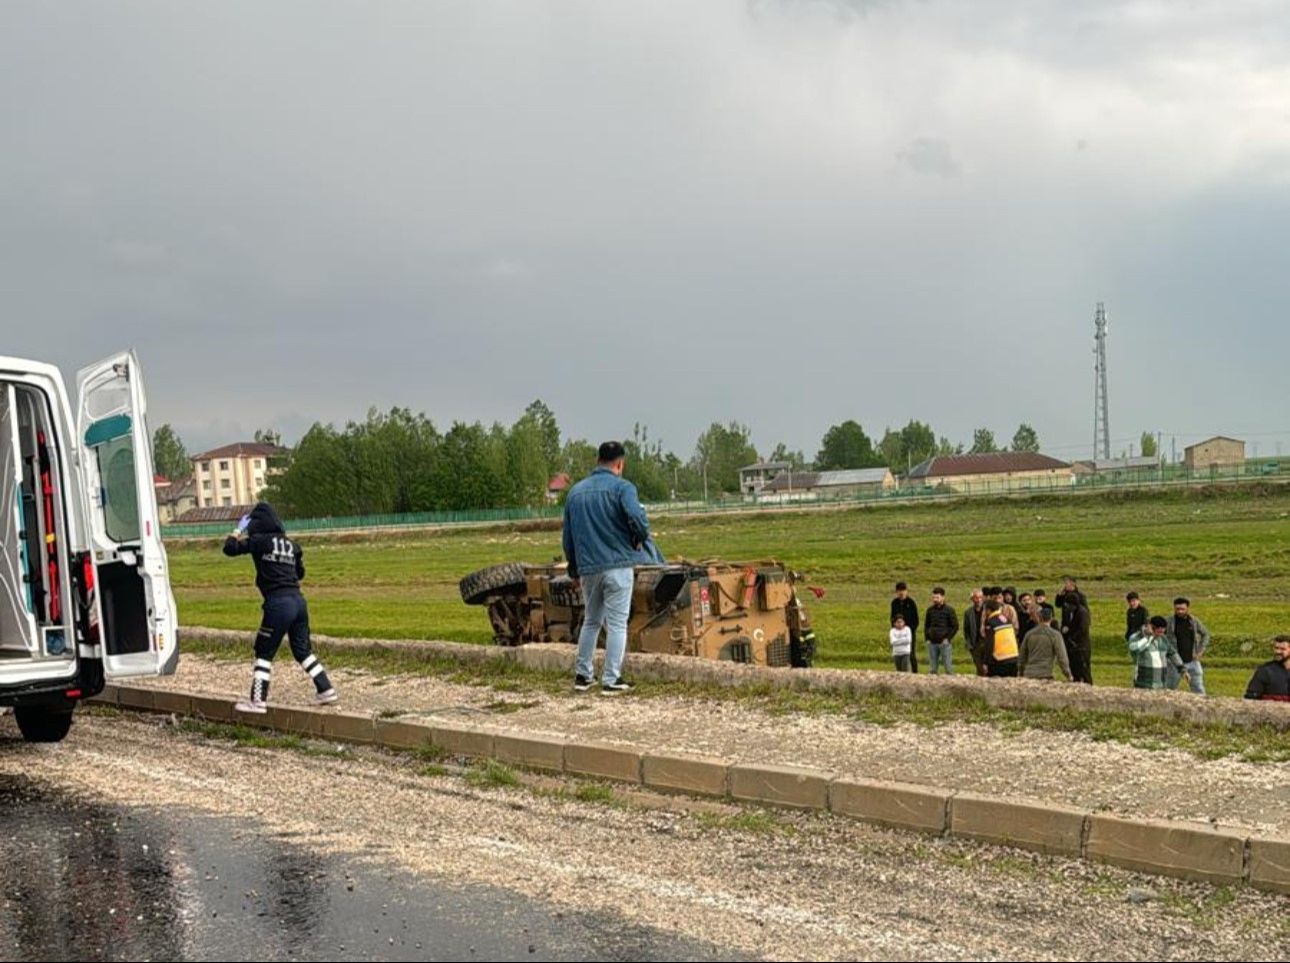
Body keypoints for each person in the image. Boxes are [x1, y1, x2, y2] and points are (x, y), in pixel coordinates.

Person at [562, 441, 661, 695]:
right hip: (617, 565)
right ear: (620, 463)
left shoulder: (575, 492)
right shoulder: (623, 488)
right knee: (617, 623)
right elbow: (636, 517)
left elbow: (568, 537)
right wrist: (640, 537)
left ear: (598, 460)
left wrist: (574, 569)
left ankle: (583, 676)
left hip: (589, 568)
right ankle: (611, 679)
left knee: (592, 621)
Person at [222, 502, 337, 713]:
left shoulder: (258, 541)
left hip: (277, 604)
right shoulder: (293, 546)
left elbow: (229, 549)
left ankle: (257, 701)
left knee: (264, 653)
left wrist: (237, 530)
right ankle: (326, 689)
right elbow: (300, 574)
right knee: (302, 650)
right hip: (298, 602)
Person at [1165, 597, 1210, 695]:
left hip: (1192, 661)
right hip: (1175, 663)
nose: (1180, 611)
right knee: (1169, 689)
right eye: (1177, 609)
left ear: (1187, 609)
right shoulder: (1169, 622)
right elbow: (1159, 635)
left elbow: (1206, 634)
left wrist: (1200, 651)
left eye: (1182, 609)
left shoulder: (1193, 621)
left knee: (1199, 689)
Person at [1128, 615, 1185, 690]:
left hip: (1161, 685)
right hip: (1143, 684)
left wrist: (1182, 669)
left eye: (1163, 630)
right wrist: (1148, 637)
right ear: (1151, 627)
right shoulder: (1136, 637)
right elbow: (1134, 649)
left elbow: (1172, 653)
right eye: (1159, 630)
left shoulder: (1163, 639)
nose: (1161, 632)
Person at [1018, 605, 1072, 681]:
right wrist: (1068, 674)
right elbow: (1062, 657)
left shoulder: (1029, 634)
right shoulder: (1055, 635)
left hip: (1029, 674)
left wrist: (1020, 672)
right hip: (1046, 674)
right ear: (1051, 618)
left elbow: (1022, 655)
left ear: (1039, 618)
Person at [1056, 577, 1093, 684]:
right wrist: (1060, 594)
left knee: (1083, 667)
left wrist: (1072, 635)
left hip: (1079, 641)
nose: (1065, 585)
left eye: (1067, 583)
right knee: (1073, 663)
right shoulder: (1065, 596)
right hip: (1068, 632)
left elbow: (1084, 624)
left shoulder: (1080, 599)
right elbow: (1058, 604)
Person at [923, 586, 958, 675]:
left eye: (937, 597)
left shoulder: (949, 610)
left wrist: (948, 638)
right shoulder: (930, 610)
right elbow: (926, 625)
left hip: (944, 642)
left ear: (943, 597)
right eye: (934, 597)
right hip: (932, 642)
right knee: (932, 668)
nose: (935, 599)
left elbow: (955, 626)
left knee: (948, 667)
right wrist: (927, 638)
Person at [1243, 635, 1290, 701]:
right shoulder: (1264, 671)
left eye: (1282, 649)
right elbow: (1251, 697)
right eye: (1276, 648)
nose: (1278, 652)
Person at [983, 600, 1019, 678]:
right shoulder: (1007, 619)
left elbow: (989, 644)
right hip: (1013, 656)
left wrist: (986, 662)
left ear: (988, 610)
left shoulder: (991, 622)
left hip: (1000, 659)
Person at [891, 582, 920, 673]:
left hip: (909, 632)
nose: (901, 593)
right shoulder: (894, 603)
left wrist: (909, 630)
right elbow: (892, 617)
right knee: (899, 653)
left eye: (903, 590)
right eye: (899, 591)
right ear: (896, 592)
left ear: (906, 591)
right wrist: (896, 627)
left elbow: (916, 620)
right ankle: (900, 673)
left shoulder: (911, 603)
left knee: (911, 654)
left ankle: (915, 673)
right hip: (897, 631)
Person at [962, 588, 987, 676]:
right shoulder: (968, 612)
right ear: (972, 599)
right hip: (975, 644)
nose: (979, 600)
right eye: (976, 598)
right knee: (979, 667)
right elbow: (966, 629)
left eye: (980, 597)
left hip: (987, 643)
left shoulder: (987, 610)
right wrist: (969, 645)